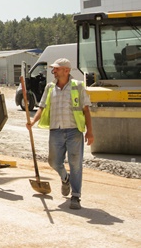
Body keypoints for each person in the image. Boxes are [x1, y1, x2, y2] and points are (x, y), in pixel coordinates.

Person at [26, 58, 94, 209]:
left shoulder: (78, 86)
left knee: (75, 164)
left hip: (74, 131)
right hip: (56, 130)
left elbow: (86, 110)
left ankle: (75, 196)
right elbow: (41, 107)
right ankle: (65, 179)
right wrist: (32, 122)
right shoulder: (50, 88)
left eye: (56, 69)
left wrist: (90, 132)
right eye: (53, 69)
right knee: (54, 162)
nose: (53, 71)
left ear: (66, 70)